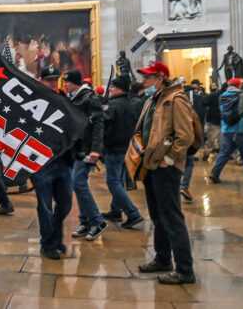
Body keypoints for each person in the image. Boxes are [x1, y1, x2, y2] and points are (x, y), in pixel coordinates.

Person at [134, 61, 195, 285]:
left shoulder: (176, 99)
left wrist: (168, 159)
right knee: (158, 216)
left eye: (148, 78)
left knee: (172, 217)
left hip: (166, 167)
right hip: (151, 164)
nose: (144, 81)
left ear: (160, 79)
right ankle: (162, 259)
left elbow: (185, 136)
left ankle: (185, 269)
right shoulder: (153, 100)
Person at [30, 66, 74, 259]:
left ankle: (56, 237)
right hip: (42, 163)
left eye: (55, 80)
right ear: (41, 81)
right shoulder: (32, 102)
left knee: (65, 203)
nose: (53, 83)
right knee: (46, 206)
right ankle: (48, 243)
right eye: (49, 80)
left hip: (63, 160)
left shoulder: (64, 100)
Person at [64, 69, 107, 241]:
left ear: (75, 83)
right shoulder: (71, 98)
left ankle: (97, 221)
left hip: (87, 148)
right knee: (78, 184)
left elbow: (98, 123)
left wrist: (96, 148)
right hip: (76, 148)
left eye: (67, 82)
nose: (65, 85)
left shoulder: (89, 97)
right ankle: (86, 221)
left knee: (78, 182)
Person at [101, 77, 143, 228]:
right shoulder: (132, 103)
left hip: (114, 148)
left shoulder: (112, 105)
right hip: (128, 148)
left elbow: (104, 126)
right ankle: (116, 211)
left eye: (113, 86)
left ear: (120, 89)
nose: (110, 88)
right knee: (119, 180)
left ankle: (133, 213)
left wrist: (102, 143)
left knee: (113, 182)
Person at [208, 79, 243, 184]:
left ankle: (214, 173)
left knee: (224, 152)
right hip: (240, 129)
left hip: (226, 129)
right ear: (239, 86)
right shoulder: (242, 96)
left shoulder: (222, 97)